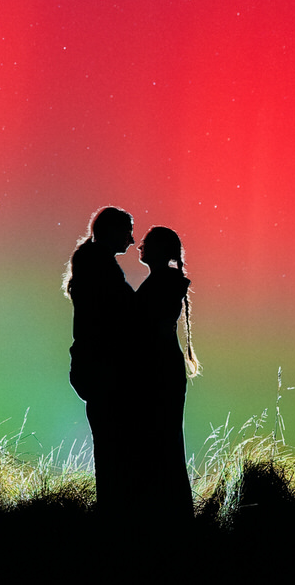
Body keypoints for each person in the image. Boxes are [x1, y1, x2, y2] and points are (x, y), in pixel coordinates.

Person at [62, 206, 136, 517]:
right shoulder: (101, 266)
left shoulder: (91, 262)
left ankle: (112, 510)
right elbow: (126, 310)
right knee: (115, 445)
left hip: (92, 366)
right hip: (105, 369)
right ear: (111, 231)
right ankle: (115, 515)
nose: (132, 241)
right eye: (127, 232)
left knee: (109, 444)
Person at [131, 225, 200, 535]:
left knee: (161, 442)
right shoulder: (167, 282)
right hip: (163, 369)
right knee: (165, 442)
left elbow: (148, 327)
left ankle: (167, 521)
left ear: (159, 249)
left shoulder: (163, 283)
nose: (139, 246)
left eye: (146, 243)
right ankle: (172, 517)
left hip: (158, 371)